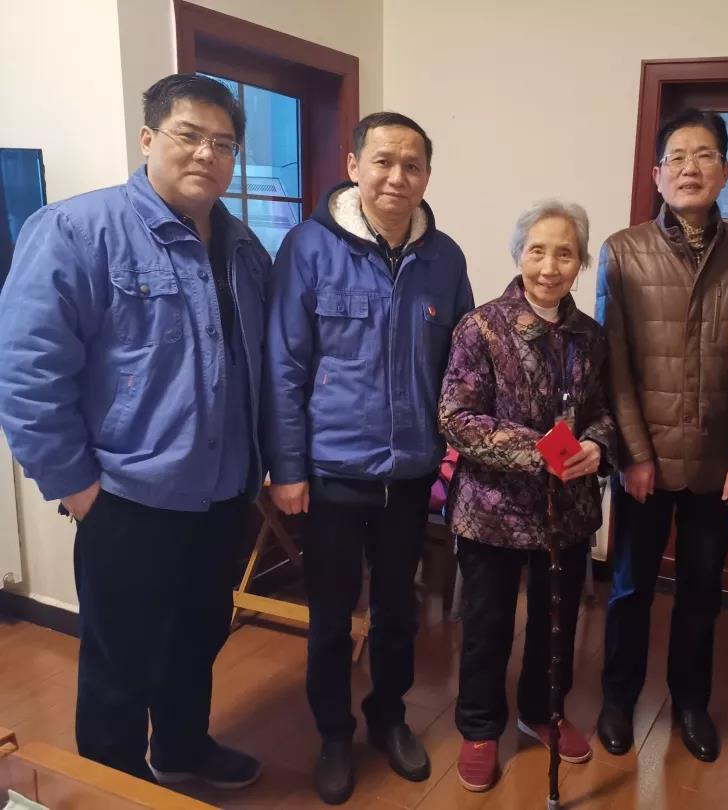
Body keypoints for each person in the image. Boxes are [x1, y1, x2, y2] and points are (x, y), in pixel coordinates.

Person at [0, 73, 269, 787]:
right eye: (189, 135)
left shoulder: (244, 248)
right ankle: (112, 788)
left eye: (224, 143)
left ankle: (182, 749)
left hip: (224, 492)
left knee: (198, 637)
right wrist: (77, 487)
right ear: (148, 138)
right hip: (126, 496)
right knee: (120, 662)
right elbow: (26, 375)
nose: (206, 153)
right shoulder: (75, 230)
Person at [263, 111, 473, 805]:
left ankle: (389, 717)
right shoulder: (308, 247)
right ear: (354, 166)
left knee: (397, 613)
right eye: (383, 161)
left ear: (427, 176)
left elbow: (461, 370)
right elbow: (284, 365)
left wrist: (455, 455)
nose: (397, 177)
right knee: (329, 617)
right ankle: (333, 734)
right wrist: (288, 467)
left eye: (412, 165)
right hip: (330, 473)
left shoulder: (444, 259)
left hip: (410, 473)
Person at [595, 108, 728, 762]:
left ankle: (690, 703)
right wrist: (633, 454)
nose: (690, 168)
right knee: (629, 589)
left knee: (702, 593)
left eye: (704, 156)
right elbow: (612, 363)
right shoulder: (623, 250)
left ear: (725, 171)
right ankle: (618, 698)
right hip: (643, 463)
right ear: (657, 175)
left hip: (717, 464)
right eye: (677, 157)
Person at [438, 200, 614, 792]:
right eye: (537, 250)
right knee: (486, 624)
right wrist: (539, 448)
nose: (549, 266)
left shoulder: (591, 336)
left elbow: (604, 412)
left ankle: (543, 711)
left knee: (556, 622)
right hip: (491, 508)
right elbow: (456, 418)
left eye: (565, 253)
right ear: (519, 254)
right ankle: (479, 727)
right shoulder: (481, 327)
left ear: (580, 262)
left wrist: (596, 446)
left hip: (567, 510)